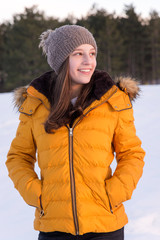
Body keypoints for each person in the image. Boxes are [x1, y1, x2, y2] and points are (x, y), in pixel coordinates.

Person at [6, 25, 145, 240]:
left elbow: (132, 154)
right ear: (61, 61)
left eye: (92, 53)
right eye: (78, 54)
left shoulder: (113, 101)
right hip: (54, 227)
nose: (88, 61)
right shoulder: (35, 104)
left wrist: (112, 194)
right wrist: (39, 196)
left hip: (105, 226)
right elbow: (18, 157)